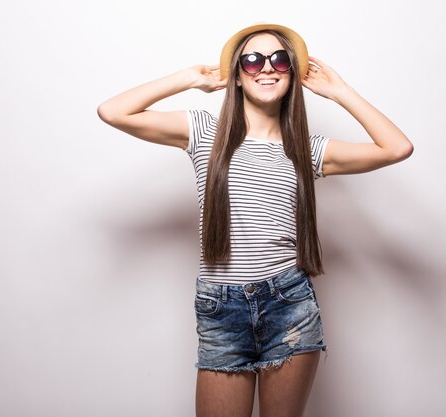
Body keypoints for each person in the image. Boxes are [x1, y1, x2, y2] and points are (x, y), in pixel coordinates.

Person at [97, 23, 413, 417]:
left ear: (292, 74)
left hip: (289, 304)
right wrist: (189, 78)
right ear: (238, 76)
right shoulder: (203, 131)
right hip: (221, 307)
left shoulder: (307, 150)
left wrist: (340, 92)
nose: (267, 68)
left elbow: (397, 147)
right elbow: (112, 111)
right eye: (252, 60)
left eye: (280, 59)